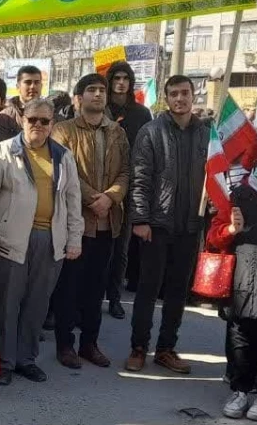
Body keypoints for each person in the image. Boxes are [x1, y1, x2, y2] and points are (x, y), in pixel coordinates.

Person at [0, 98, 84, 386]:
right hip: (10, 240)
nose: (38, 125)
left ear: (52, 124)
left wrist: (74, 238)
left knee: (37, 304)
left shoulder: (63, 156)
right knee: (7, 304)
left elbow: (73, 199)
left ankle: (26, 359)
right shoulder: (1, 152)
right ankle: (4, 362)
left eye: (44, 121)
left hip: (51, 241)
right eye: (32, 119)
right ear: (22, 119)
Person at [125, 75, 209, 375]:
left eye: (185, 93)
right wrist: (140, 219)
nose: (180, 99)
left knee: (177, 293)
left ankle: (165, 349)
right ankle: (138, 347)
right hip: (156, 226)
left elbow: (216, 178)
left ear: (193, 95)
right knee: (148, 290)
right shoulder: (151, 132)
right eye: (173, 94)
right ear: (166, 97)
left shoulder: (207, 135)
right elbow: (140, 178)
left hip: (189, 226)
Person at [50, 74, 129, 369]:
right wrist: (92, 199)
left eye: (101, 90)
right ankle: (65, 344)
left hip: (108, 221)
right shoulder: (63, 131)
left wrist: (110, 198)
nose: (97, 95)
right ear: (79, 97)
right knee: (69, 287)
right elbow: (62, 171)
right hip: (76, 223)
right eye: (91, 90)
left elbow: (126, 172)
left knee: (96, 289)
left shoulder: (116, 132)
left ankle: (89, 343)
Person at [209, 138, 257, 422]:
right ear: (252, 166)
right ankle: (240, 389)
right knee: (240, 339)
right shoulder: (238, 197)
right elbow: (214, 237)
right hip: (243, 282)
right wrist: (229, 228)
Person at [104, 60, 153, 318]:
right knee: (95, 247)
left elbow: (145, 152)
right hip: (100, 186)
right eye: (116, 78)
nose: (120, 83)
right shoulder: (101, 109)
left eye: (125, 78)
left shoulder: (141, 114)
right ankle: (89, 297)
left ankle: (114, 297)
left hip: (128, 187)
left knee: (120, 249)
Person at [0, 66, 43, 142]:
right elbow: (0, 150)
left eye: (36, 82)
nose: (32, 86)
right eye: (28, 82)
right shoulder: (4, 118)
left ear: (41, 86)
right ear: (18, 87)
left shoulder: (52, 116)